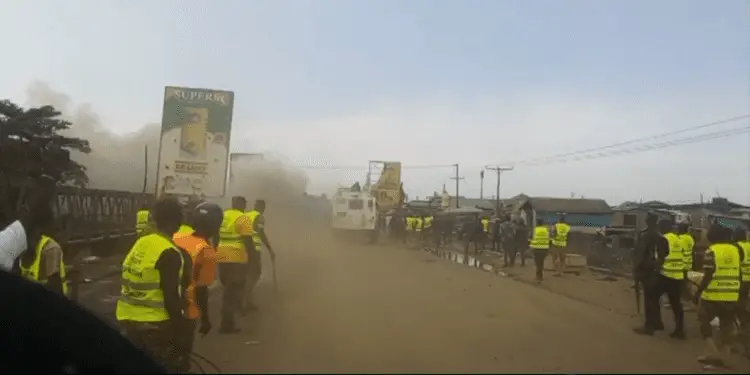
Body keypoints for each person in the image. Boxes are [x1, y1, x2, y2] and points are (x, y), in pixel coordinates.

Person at [116, 197, 192, 373]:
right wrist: (181, 328)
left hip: (127, 320)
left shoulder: (141, 243)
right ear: (178, 222)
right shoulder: (169, 252)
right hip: (155, 325)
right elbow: (171, 296)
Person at [172, 202, 222, 373]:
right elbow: (201, 290)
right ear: (215, 226)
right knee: (180, 360)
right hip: (185, 312)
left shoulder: (177, 237)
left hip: (156, 308)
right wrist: (206, 319)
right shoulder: (206, 251)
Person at [694, 224, 743, 369]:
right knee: (726, 326)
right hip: (731, 295)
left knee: (704, 323)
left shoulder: (712, 251)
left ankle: (715, 357)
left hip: (713, 295)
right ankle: (721, 358)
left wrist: (698, 292)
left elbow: (708, 274)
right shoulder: (736, 250)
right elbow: (738, 273)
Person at [635, 219, 685, 339]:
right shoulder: (678, 239)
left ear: (662, 227)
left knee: (651, 297)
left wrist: (653, 269)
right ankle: (680, 331)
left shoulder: (664, 239)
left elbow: (661, 259)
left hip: (665, 275)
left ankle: (650, 326)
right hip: (677, 275)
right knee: (676, 304)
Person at [216, 196, 255, 334]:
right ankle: (227, 323)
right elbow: (248, 241)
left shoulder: (223, 216)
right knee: (232, 290)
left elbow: (216, 236)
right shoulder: (243, 218)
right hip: (236, 257)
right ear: (242, 204)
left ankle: (230, 318)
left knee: (228, 287)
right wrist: (252, 258)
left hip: (221, 256)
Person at [243, 199, 277, 312]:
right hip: (253, 249)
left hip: (242, 248)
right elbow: (260, 233)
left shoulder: (246, 214)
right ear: (263, 208)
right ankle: (247, 300)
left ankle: (242, 299)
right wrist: (269, 248)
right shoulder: (260, 217)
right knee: (255, 274)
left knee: (245, 273)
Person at [732, 225, 750, 359]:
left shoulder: (737, 247)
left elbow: (735, 265)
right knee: (741, 304)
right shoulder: (748, 245)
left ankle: (743, 327)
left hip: (742, 280)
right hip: (748, 279)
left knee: (737, 305)